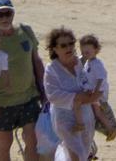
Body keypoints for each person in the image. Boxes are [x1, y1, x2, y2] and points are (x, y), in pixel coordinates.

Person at [0, 0, 45, 161]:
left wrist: (43, 90)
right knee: (5, 142)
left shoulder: (25, 31)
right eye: (0, 14)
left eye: (8, 13)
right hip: (2, 101)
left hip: (29, 96)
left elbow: (36, 60)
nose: (4, 18)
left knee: (32, 139)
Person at [42, 28, 99, 161]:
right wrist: (78, 98)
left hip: (85, 116)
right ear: (54, 49)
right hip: (65, 119)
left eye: (71, 44)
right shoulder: (52, 69)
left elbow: (92, 83)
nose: (68, 48)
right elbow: (52, 95)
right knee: (76, 155)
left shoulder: (81, 63)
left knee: (83, 153)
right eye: (63, 45)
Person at [79, 34, 116, 141]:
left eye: (87, 52)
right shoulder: (88, 62)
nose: (84, 54)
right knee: (95, 112)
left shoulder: (97, 64)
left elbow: (101, 78)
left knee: (98, 113)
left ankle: (111, 130)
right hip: (93, 92)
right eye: (83, 52)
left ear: (96, 50)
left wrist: (96, 92)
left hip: (97, 94)